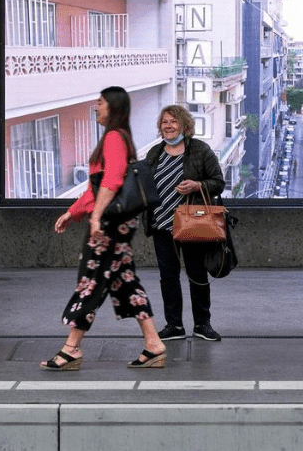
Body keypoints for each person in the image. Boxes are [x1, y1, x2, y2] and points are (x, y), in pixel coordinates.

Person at [44, 86, 166, 370]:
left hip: (110, 225)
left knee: (91, 279)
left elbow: (111, 182)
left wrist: (95, 218)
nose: (96, 106)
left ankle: (72, 348)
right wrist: (73, 213)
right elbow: (96, 187)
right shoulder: (118, 138)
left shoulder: (113, 137)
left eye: (100, 102)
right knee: (124, 280)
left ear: (113, 106)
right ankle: (154, 344)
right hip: (118, 223)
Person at [142, 105, 226, 342]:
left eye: (173, 122)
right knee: (168, 277)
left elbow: (218, 182)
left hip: (192, 224)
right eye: (164, 122)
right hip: (160, 224)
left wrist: (198, 185)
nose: (168, 126)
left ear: (184, 125)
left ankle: (202, 324)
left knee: (196, 274)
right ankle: (174, 326)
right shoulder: (154, 153)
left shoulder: (200, 150)